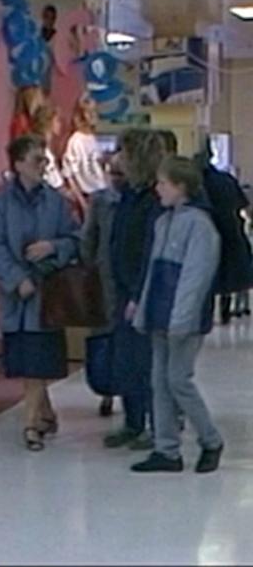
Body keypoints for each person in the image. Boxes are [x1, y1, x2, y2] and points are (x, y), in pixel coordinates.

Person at [0, 134, 79, 452]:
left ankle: (30, 425)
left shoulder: (56, 202)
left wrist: (53, 247)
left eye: (45, 160)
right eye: (37, 160)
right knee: (28, 363)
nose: (43, 166)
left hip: (47, 295)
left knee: (39, 361)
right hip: (15, 297)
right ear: (19, 163)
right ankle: (45, 413)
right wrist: (14, 278)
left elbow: (75, 238)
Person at [131, 156, 223, 473]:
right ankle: (166, 449)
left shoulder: (200, 226)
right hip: (160, 313)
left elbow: (195, 279)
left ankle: (210, 439)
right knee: (160, 380)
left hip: (183, 318)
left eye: (164, 183)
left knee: (177, 379)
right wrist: (144, 311)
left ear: (181, 187)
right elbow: (152, 273)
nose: (158, 189)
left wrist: (181, 320)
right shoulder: (162, 222)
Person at [104, 129, 166, 451]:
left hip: (142, 294)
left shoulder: (153, 200)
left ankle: (157, 428)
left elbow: (150, 252)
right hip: (123, 287)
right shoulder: (128, 194)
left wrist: (139, 294)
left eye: (124, 153)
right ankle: (132, 422)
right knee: (126, 361)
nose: (118, 159)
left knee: (147, 365)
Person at [81, 151, 127, 417]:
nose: (118, 179)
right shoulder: (100, 201)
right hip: (105, 279)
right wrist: (90, 267)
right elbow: (89, 237)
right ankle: (107, 390)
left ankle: (128, 394)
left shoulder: (141, 201)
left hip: (124, 281)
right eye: (115, 173)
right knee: (105, 337)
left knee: (127, 341)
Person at [195, 139, 252, 325]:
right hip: (230, 231)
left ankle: (206, 314)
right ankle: (225, 311)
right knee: (227, 274)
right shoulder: (226, 180)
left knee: (205, 276)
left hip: (204, 233)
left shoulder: (195, 183)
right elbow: (242, 204)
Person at [62, 98, 107, 219]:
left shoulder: (93, 138)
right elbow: (70, 175)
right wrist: (82, 202)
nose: (93, 115)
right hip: (88, 195)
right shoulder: (75, 141)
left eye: (95, 111)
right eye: (88, 112)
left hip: (102, 192)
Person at [31, 105, 65, 192]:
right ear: (48, 123)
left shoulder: (45, 149)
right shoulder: (42, 153)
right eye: (57, 121)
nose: (60, 124)